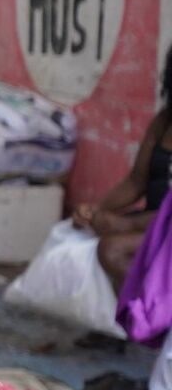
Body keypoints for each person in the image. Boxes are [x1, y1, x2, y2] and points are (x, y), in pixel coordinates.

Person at [74, 46, 172, 286]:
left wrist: (126, 224)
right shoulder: (163, 121)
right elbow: (136, 182)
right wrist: (95, 210)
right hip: (152, 224)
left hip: (161, 225)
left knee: (113, 250)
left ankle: (152, 309)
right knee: (85, 233)